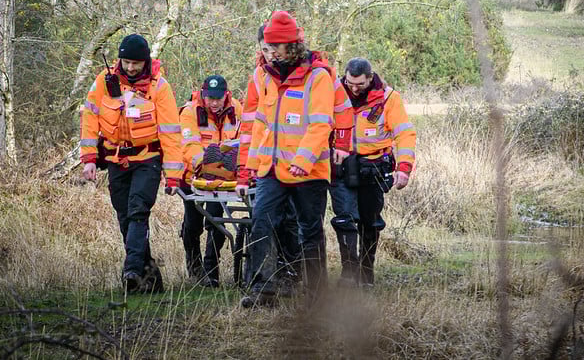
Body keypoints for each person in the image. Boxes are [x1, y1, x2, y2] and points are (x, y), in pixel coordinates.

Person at [237, 24, 352, 294]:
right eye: (267, 47)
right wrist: (247, 170)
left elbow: (321, 124)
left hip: (308, 171)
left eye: (276, 47)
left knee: (309, 232)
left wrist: (303, 159)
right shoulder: (262, 76)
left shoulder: (318, 76)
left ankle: (316, 295)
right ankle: (261, 291)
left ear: (292, 45)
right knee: (261, 225)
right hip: (271, 170)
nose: (271, 53)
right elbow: (257, 127)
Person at [80, 34, 185, 293]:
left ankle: (132, 270)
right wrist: (89, 159)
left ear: (146, 61)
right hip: (116, 159)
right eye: (126, 62)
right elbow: (90, 120)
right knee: (124, 215)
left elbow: (171, 132)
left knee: (138, 210)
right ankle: (149, 279)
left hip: (148, 159)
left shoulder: (160, 87)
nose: (130, 68)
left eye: (136, 63)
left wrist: (172, 173)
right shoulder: (104, 82)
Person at [330, 57, 416, 287]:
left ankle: (366, 273)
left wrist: (404, 168)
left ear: (370, 78)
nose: (354, 88)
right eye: (350, 83)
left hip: (374, 168)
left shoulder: (389, 99)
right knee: (345, 219)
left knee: (370, 223)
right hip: (342, 167)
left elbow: (405, 134)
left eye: (360, 84)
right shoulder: (334, 94)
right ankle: (349, 273)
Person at [178, 74, 243, 287]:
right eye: (210, 98)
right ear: (203, 95)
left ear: (226, 95)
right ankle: (194, 267)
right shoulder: (189, 112)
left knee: (216, 221)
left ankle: (211, 270)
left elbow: (242, 140)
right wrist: (204, 166)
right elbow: (189, 145)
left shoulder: (237, 110)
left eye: (218, 98)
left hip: (221, 180)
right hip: (192, 177)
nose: (214, 103)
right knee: (193, 223)